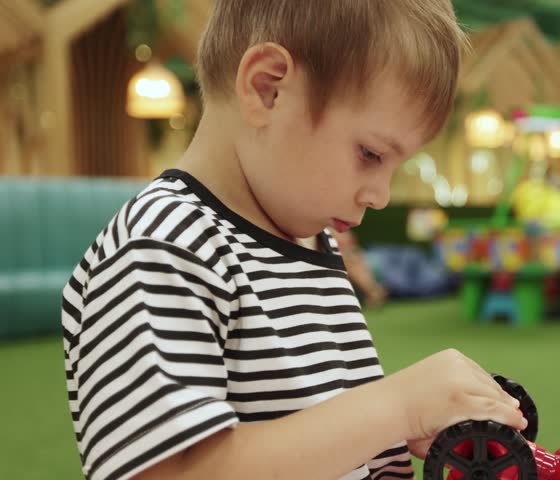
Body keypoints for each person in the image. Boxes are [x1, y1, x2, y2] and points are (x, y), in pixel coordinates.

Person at [60, 1, 526, 480]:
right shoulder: (161, 248)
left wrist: (407, 430)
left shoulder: (308, 239)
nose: (381, 196)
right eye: (370, 153)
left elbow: (315, 428)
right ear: (268, 90)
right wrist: (397, 405)